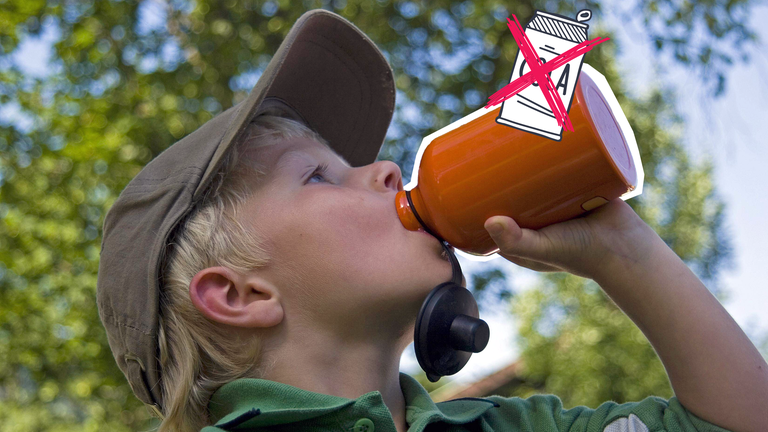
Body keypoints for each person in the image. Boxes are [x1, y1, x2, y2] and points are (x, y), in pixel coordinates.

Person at [96, 9, 768, 432]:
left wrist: (622, 249)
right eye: (318, 175)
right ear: (240, 295)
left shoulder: (505, 423)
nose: (386, 170)